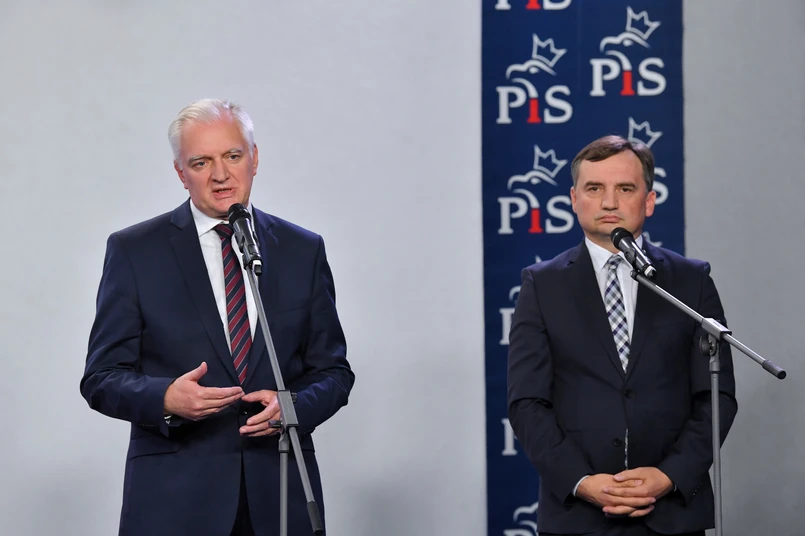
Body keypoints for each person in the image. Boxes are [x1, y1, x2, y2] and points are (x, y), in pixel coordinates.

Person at [80, 98, 354, 536]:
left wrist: (293, 406)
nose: (221, 174)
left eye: (232, 155)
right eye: (201, 162)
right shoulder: (135, 251)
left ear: (255, 158)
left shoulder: (302, 250)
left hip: (279, 498)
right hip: (175, 505)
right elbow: (101, 377)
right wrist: (165, 398)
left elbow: (334, 373)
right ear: (180, 173)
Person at [507, 135, 737, 536]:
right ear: (574, 199)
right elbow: (527, 402)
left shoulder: (690, 280)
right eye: (594, 188)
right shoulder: (541, 286)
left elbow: (716, 398)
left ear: (649, 201)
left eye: (625, 189)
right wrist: (582, 481)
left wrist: (669, 475)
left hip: (673, 514)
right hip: (578, 516)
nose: (609, 202)